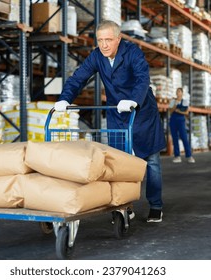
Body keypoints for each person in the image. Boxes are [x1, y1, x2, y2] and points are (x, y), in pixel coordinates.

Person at [54, 20, 167, 223]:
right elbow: (78, 78)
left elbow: (143, 78)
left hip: (141, 111)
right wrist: (64, 99)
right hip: (117, 113)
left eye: (108, 40)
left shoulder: (132, 52)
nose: (104, 45)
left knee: (151, 161)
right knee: (119, 163)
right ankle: (124, 205)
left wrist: (133, 100)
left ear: (118, 39)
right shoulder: (97, 55)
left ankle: (156, 205)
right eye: (100, 40)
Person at [168, 87, 195, 163]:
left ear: (182, 93)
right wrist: (175, 105)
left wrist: (179, 111)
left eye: (179, 91)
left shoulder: (185, 102)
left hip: (181, 121)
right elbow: (170, 111)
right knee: (175, 138)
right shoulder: (173, 101)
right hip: (173, 121)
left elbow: (186, 113)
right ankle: (177, 156)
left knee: (184, 137)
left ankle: (189, 156)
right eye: (177, 91)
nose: (178, 93)